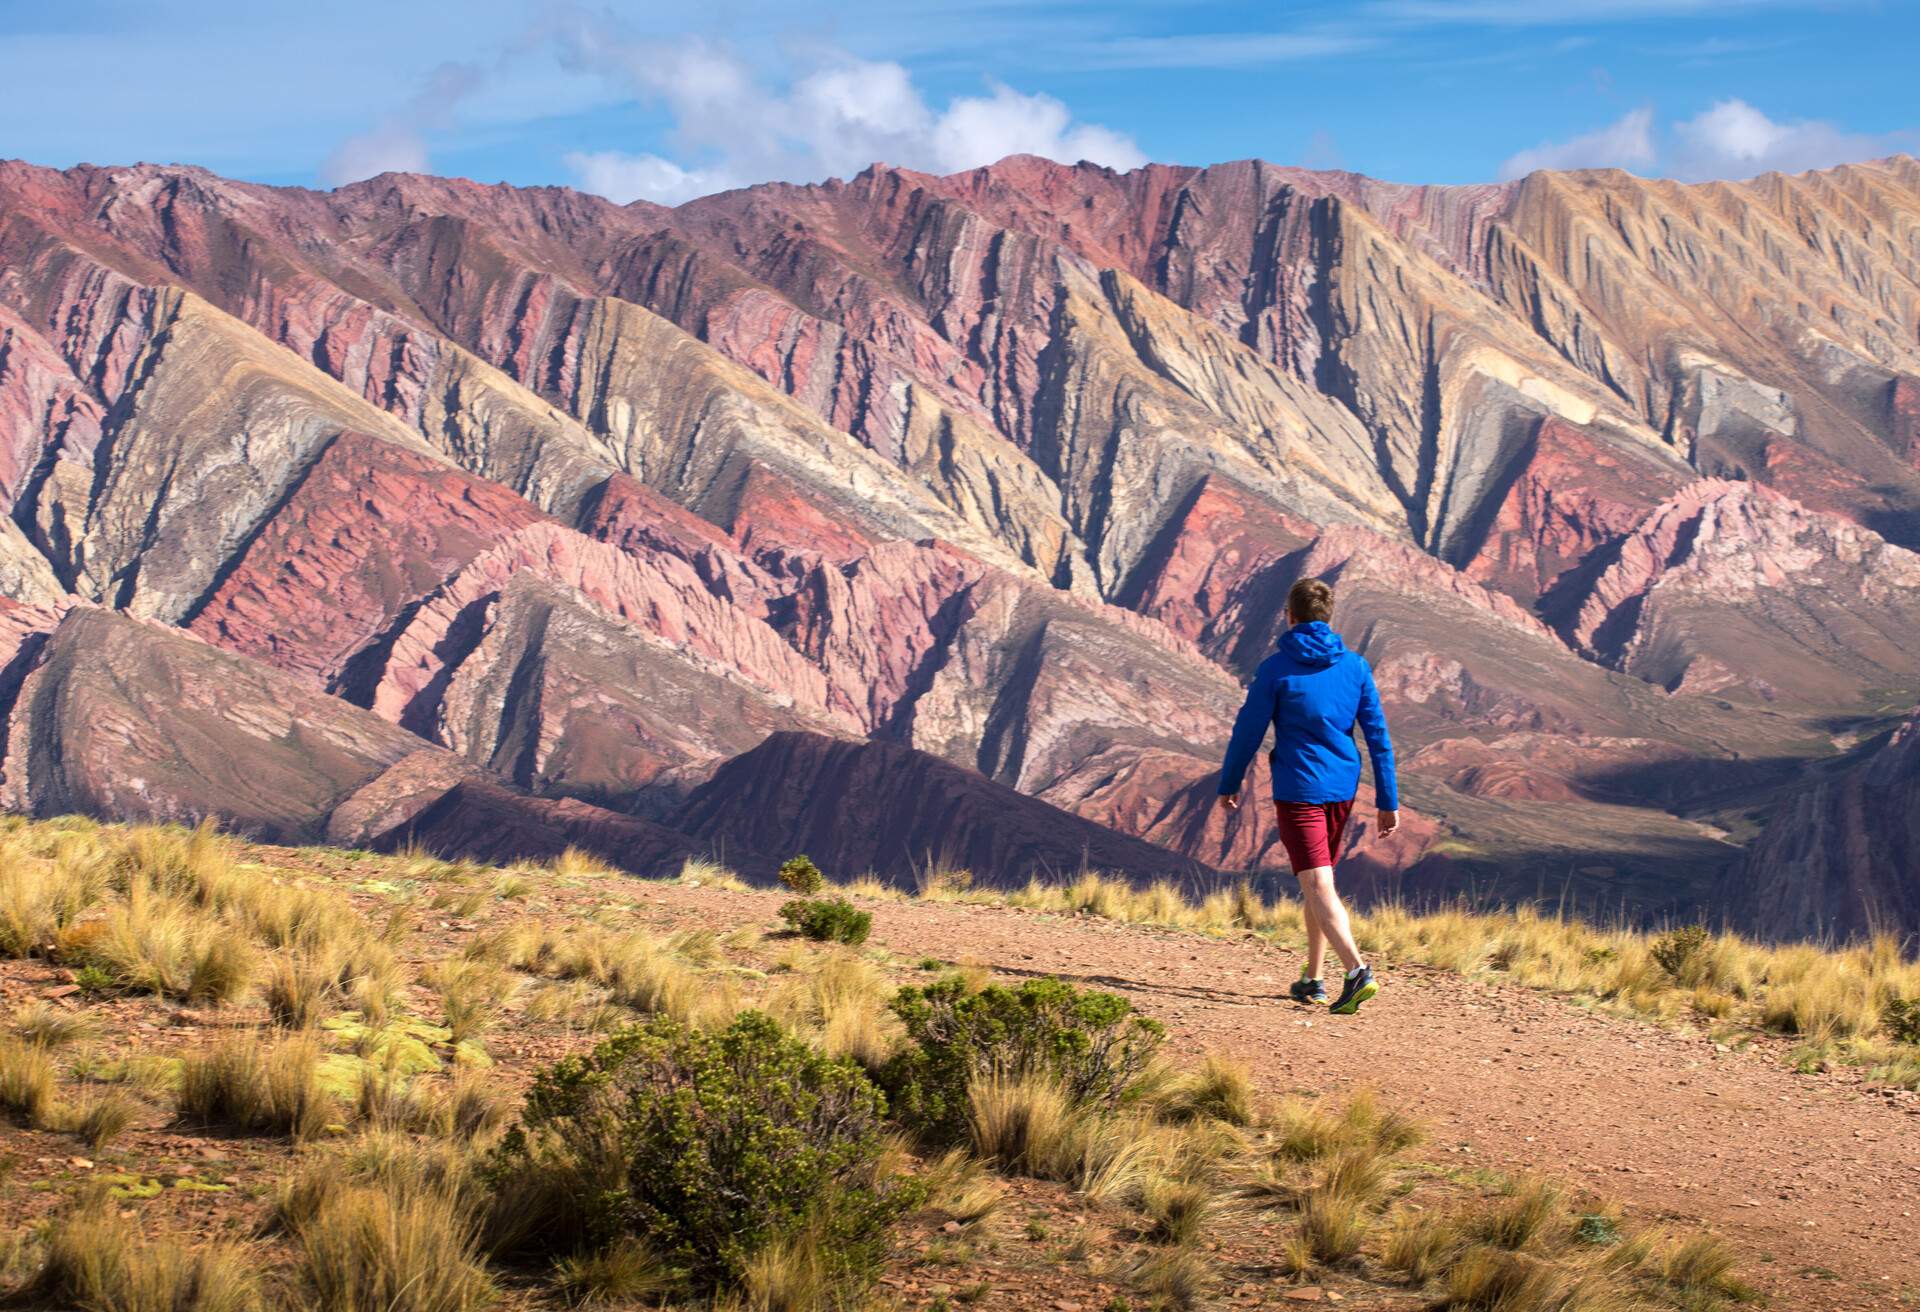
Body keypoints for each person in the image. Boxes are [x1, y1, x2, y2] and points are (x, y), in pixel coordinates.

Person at [1217, 576, 1399, 1014]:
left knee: (1316, 881)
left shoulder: (1276, 669)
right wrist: (1387, 799)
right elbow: (1378, 735)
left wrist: (1230, 781)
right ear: (1327, 616)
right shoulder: (1354, 667)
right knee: (1320, 883)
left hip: (1298, 787)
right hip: (1342, 786)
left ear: (1290, 615)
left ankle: (1356, 972)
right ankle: (1313, 979)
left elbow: (1248, 730)